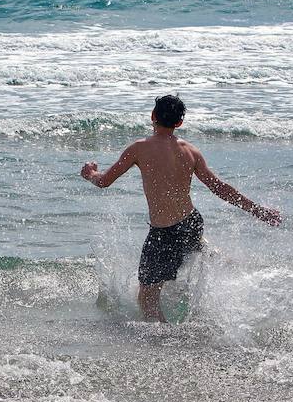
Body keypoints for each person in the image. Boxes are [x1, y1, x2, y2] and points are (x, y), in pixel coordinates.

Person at [80, 94, 282, 323]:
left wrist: (90, 174)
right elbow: (221, 188)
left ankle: (165, 342)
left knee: (147, 299)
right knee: (186, 252)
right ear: (179, 123)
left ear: (153, 116)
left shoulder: (139, 148)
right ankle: (212, 255)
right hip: (191, 222)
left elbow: (104, 181)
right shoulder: (191, 151)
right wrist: (258, 211)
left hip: (165, 233)